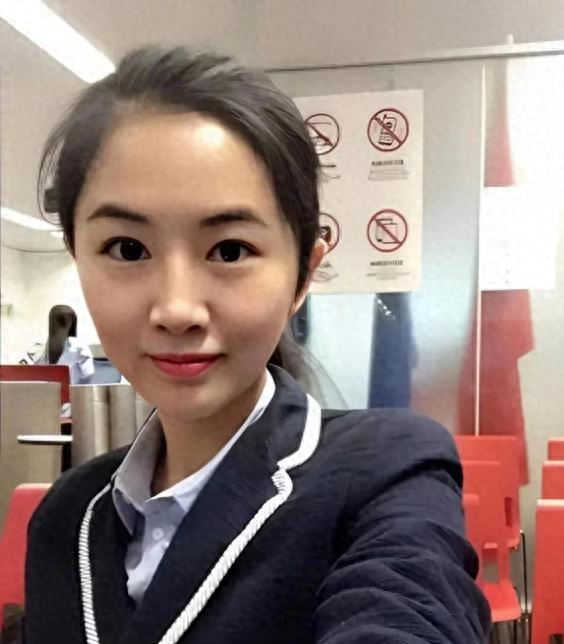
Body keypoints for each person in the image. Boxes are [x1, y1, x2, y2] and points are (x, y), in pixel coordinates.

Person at [25, 46, 491, 643]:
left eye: (230, 250)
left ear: (303, 274)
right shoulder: (66, 515)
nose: (177, 310)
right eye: (127, 249)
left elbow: (408, 609)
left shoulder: (387, 468)